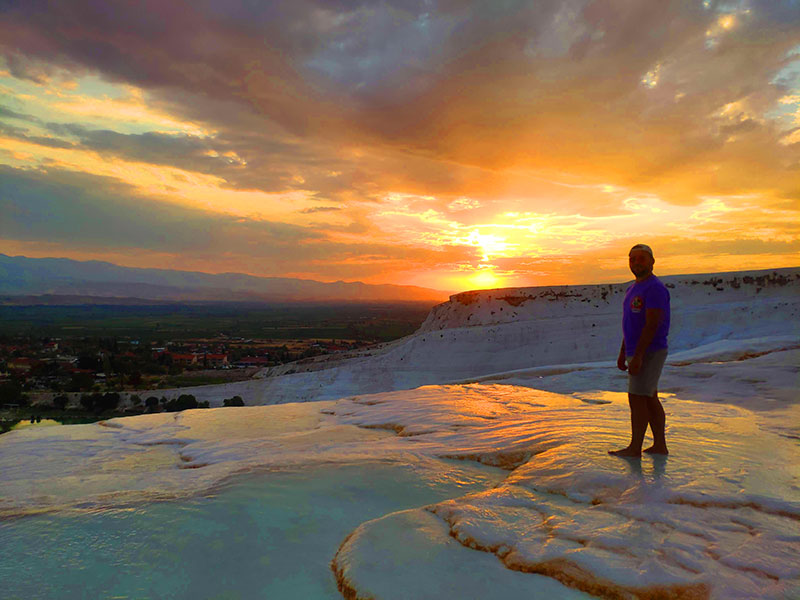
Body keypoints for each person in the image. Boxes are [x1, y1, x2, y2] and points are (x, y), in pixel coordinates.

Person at [608, 243, 670, 457]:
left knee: (637, 397)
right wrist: (624, 351)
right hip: (637, 350)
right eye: (632, 259)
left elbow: (652, 324)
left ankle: (635, 448)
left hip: (650, 350)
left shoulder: (655, 288)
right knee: (649, 396)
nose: (636, 263)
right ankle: (659, 445)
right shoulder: (633, 288)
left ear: (652, 261)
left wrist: (640, 356)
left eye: (642, 258)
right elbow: (631, 323)